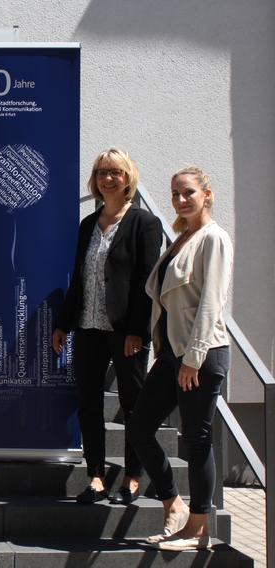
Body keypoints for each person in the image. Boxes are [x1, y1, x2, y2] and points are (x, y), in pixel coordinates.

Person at [128, 166, 233, 551]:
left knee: (196, 438)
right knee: (140, 427)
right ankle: (175, 504)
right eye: (175, 193)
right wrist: (169, 352)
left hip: (200, 355)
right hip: (173, 356)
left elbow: (211, 303)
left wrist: (194, 356)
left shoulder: (213, 238)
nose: (180, 199)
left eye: (188, 192)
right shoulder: (181, 239)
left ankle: (199, 530)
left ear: (208, 193)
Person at [52, 149, 162, 504]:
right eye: (101, 172)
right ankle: (96, 476)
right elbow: (80, 278)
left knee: (133, 406)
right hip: (88, 326)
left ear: (128, 177)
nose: (107, 178)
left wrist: (137, 332)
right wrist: (64, 323)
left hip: (125, 331)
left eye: (115, 172)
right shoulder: (88, 223)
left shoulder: (144, 223)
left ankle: (132, 476)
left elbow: (148, 281)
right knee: (88, 402)